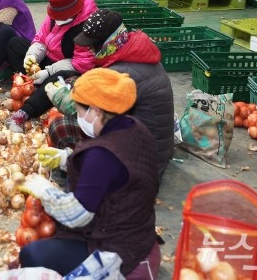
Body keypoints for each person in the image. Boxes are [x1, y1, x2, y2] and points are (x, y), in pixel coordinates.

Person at [18, 68, 160, 279]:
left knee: (31, 255)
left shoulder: (101, 155)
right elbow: (112, 176)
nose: (78, 117)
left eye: (80, 111)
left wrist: (45, 190)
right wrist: (66, 159)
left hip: (116, 246)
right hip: (140, 232)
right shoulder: (136, 128)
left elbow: (77, 215)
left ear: (96, 111)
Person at [44, 9, 174, 180]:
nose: (89, 49)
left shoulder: (124, 72)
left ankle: (81, 172)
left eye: (92, 45)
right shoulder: (131, 52)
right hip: (145, 144)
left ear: (108, 42)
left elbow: (94, 115)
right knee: (74, 80)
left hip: (138, 164)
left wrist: (62, 98)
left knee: (60, 127)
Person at [4, 0, 97, 133]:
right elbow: (40, 39)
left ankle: (24, 112)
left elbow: (83, 63)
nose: (57, 20)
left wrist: (48, 72)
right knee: (15, 45)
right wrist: (33, 55)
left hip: (68, 68)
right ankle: (28, 88)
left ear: (74, 11)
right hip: (49, 59)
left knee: (58, 77)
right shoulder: (55, 15)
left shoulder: (87, 25)